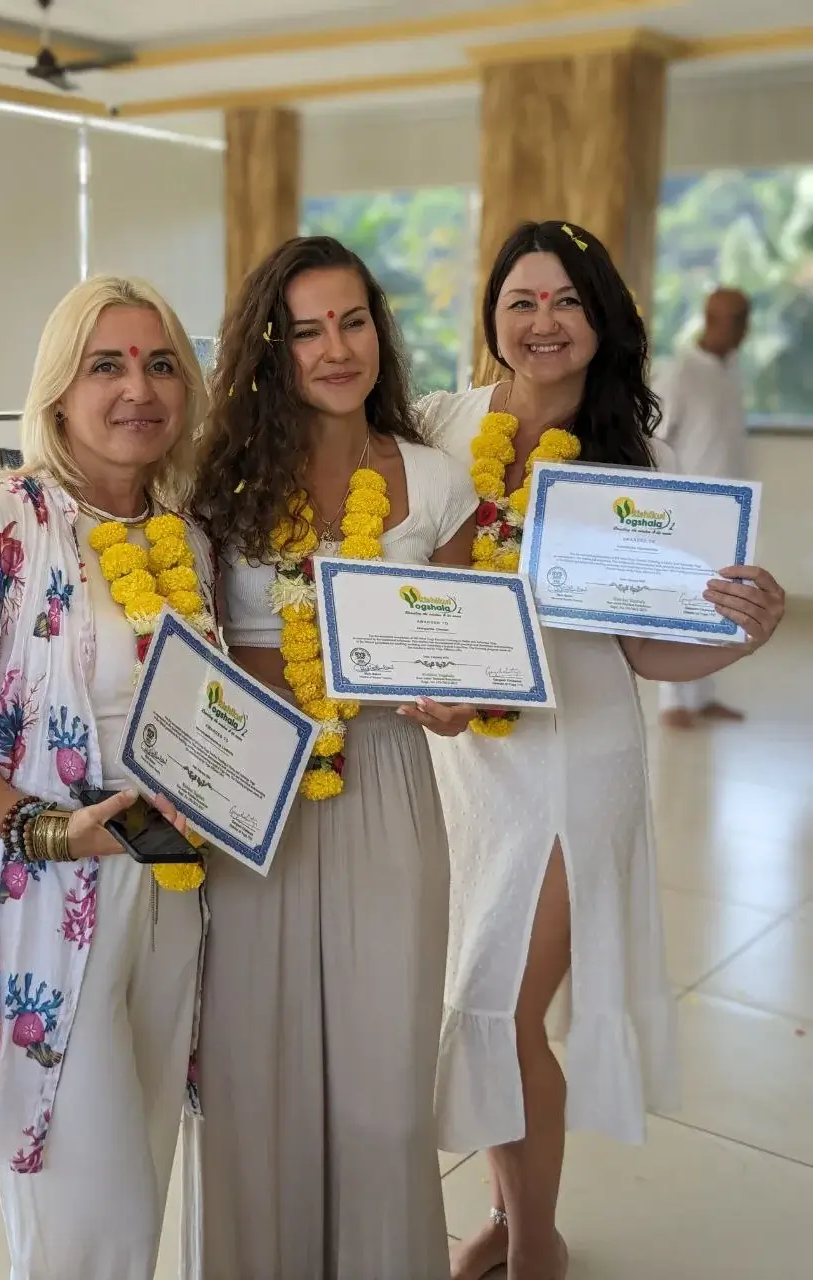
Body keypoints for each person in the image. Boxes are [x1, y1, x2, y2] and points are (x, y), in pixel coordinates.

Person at [418, 222, 785, 1280]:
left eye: (566, 301)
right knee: (470, 1003)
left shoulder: (640, 462)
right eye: (522, 300)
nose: (543, 322)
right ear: (492, 316)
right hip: (465, 761)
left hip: (577, 763)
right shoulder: (444, 423)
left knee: (504, 1003)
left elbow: (643, 652)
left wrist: (736, 633)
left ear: (600, 318)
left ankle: (535, 1239)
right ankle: (506, 1207)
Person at [0, 276, 217, 1280]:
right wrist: (55, 831)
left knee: (140, 1174)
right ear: (58, 391)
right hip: (42, 910)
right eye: (105, 363)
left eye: (160, 364)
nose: (136, 387)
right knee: (80, 1213)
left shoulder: (183, 535)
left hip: (169, 893)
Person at [183, 235, 479, 1280]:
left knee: (386, 1087)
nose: (335, 346)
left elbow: (463, 651)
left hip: (391, 785)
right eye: (307, 329)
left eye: (352, 320)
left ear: (378, 332)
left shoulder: (440, 480)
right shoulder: (216, 485)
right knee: (256, 1072)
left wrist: (453, 699)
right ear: (274, 347)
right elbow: (199, 644)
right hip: (257, 789)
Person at [655, 287, 752, 727]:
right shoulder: (679, 373)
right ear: (711, 318)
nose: (741, 329)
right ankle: (674, 702)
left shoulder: (730, 370)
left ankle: (703, 696)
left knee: (721, 603)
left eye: (744, 318)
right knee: (682, 602)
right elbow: (653, 439)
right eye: (734, 319)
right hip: (686, 511)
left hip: (729, 512)